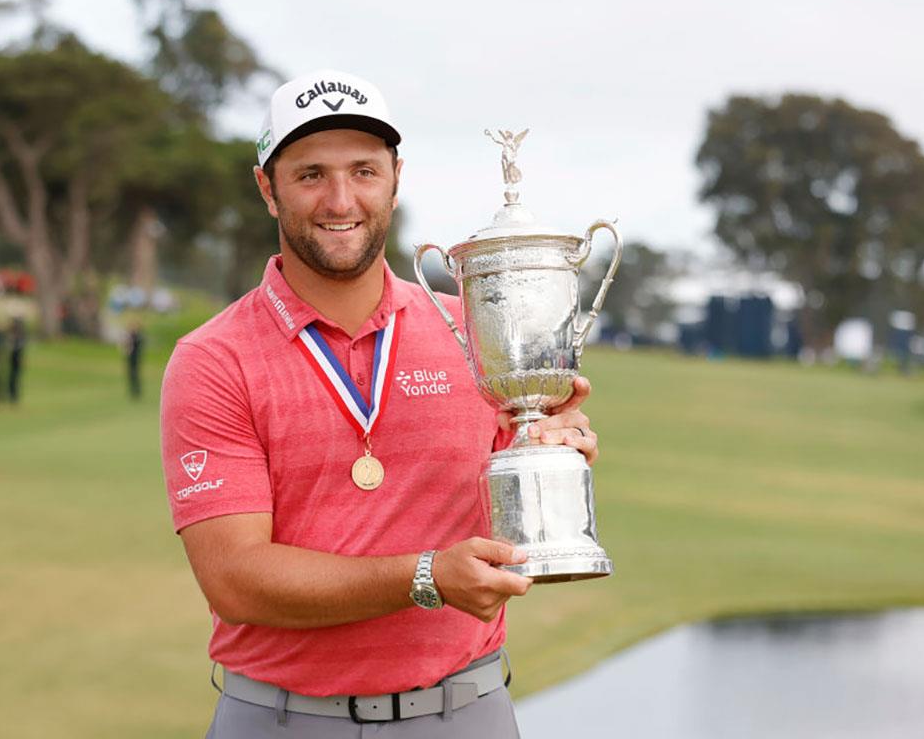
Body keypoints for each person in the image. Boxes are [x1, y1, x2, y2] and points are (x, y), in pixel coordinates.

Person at [160, 69, 600, 738]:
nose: (341, 199)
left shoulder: (475, 334)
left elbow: (512, 517)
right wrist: (427, 576)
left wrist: (549, 452)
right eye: (311, 175)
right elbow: (236, 579)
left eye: (364, 171)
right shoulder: (214, 359)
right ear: (267, 189)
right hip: (283, 720)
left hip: (466, 711)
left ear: (396, 178)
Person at [6, 317, 26, 405]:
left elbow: (18, 349)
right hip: (12, 361)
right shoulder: (13, 335)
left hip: (16, 361)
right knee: (12, 380)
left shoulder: (19, 336)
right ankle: (12, 396)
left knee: (14, 380)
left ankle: (14, 397)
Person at [123, 320, 144, 400]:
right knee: (131, 376)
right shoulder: (130, 336)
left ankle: (137, 391)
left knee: (136, 375)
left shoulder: (138, 337)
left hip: (136, 359)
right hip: (130, 359)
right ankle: (132, 391)